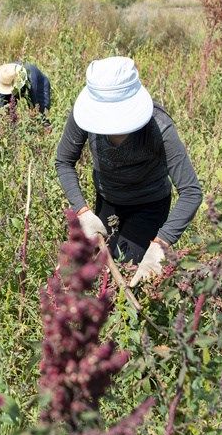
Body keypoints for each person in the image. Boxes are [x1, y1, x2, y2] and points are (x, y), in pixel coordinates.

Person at [55, 56, 202, 287]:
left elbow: (191, 191)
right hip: (107, 200)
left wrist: (160, 244)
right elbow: (64, 161)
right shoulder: (83, 114)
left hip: (149, 205)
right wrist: (82, 212)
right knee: (90, 269)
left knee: (124, 275)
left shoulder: (159, 127)